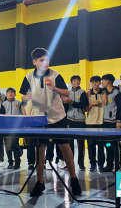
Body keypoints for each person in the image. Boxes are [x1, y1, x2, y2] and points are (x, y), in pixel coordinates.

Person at [20, 48, 81, 197]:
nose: (45, 62)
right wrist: (26, 98)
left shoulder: (55, 75)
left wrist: (54, 88)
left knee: (65, 147)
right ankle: (40, 182)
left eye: (47, 59)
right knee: (40, 149)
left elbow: (67, 93)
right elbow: (22, 98)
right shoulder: (28, 77)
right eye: (41, 60)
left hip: (57, 116)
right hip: (40, 118)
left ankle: (74, 180)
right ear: (34, 62)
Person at [100, 74, 121, 172]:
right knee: (108, 145)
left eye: (102, 81)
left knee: (115, 145)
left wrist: (119, 121)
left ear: (107, 82)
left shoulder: (116, 94)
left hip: (114, 123)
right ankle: (109, 165)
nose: (101, 83)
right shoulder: (105, 92)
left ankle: (117, 166)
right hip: (106, 123)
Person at [63, 75, 88, 171]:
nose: (76, 82)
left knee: (81, 143)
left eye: (78, 80)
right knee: (69, 144)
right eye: (74, 81)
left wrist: (72, 102)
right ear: (71, 82)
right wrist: (65, 103)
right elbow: (64, 108)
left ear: (80, 82)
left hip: (80, 120)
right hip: (69, 119)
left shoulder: (82, 92)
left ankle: (81, 164)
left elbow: (83, 104)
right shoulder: (67, 93)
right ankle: (69, 163)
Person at [0, 87, 26, 169]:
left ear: (15, 94)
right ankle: (10, 162)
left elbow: (23, 115)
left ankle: (17, 163)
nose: (10, 94)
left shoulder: (19, 103)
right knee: (8, 146)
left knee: (15, 145)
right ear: (6, 95)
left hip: (16, 128)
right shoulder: (3, 104)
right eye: (9, 92)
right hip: (7, 129)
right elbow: (1, 117)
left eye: (12, 92)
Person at [85, 75, 105, 172]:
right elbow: (85, 109)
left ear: (100, 83)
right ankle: (92, 163)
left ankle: (101, 163)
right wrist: (92, 104)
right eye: (92, 82)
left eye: (96, 82)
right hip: (90, 122)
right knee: (91, 144)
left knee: (102, 144)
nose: (94, 84)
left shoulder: (104, 92)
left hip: (101, 122)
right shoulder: (88, 94)